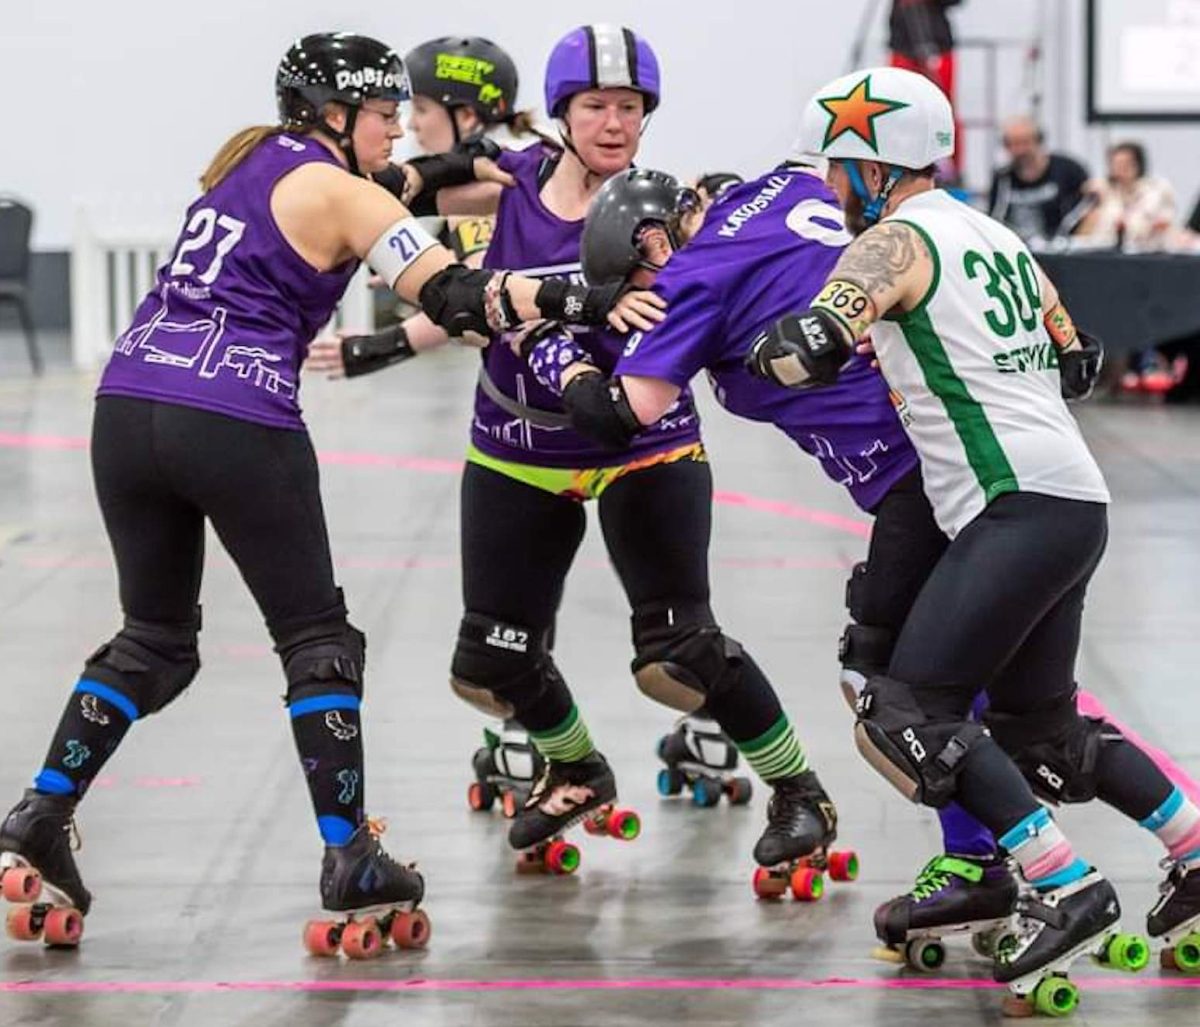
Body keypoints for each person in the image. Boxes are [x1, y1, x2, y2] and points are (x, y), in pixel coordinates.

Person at [0, 31, 659, 954]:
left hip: (129, 402)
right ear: (338, 117)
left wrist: (469, 160)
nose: (396, 133)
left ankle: (41, 810)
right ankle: (350, 854)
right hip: (234, 411)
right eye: (386, 117)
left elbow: (417, 183)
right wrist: (581, 300)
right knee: (318, 640)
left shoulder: (252, 163)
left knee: (155, 641)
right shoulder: (344, 189)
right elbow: (459, 296)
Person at [526, 158, 1191, 944]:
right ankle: (1178, 844)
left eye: (631, 286)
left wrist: (552, 351)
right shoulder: (791, 185)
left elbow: (616, 416)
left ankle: (1012, 867)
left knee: (897, 696)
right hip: (1012, 463)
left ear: (654, 245)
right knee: (1031, 716)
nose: (632, 309)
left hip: (932, 480)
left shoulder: (689, 279)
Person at [747, 66, 1200, 1007]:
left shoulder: (893, 240)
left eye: (841, 170)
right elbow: (1077, 361)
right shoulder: (994, 236)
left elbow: (812, 342)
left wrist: (780, 345)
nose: (834, 189)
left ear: (874, 166)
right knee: (1041, 725)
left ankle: (1067, 883)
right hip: (1075, 499)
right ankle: (1194, 849)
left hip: (1011, 503)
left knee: (905, 705)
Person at [988, 115, 1091, 244]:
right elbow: (994, 218)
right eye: (1012, 144)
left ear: (1039, 141)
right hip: (1017, 249)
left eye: (1024, 143)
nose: (1019, 150)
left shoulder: (1068, 170)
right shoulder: (1003, 178)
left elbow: (1087, 208)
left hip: (1060, 248)